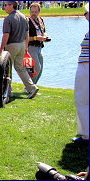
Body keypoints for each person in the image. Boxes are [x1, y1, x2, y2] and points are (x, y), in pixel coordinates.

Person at [0, 1, 39, 99]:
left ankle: (8, 91)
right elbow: (27, 33)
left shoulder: (8, 19)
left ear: (11, 6)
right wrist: (26, 47)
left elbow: (6, 35)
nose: (4, 7)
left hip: (12, 45)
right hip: (21, 45)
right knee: (20, 68)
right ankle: (32, 87)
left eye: (6, 5)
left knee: (7, 69)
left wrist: (0, 50)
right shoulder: (24, 17)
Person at [72, 3, 89, 144]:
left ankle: (86, 135)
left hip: (86, 67)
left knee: (81, 100)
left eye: (86, 13)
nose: (85, 17)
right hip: (85, 66)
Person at [27, 3, 49, 85]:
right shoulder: (27, 21)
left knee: (40, 68)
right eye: (32, 11)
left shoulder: (41, 20)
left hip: (39, 47)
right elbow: (25, 38)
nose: (33, 13)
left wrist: (44, 36)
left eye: (35, 12)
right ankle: (29, 86)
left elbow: (44, 31)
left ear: (39, 12)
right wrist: (36, 38)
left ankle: (33, 86)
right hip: (31, 47)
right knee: (36, 68)